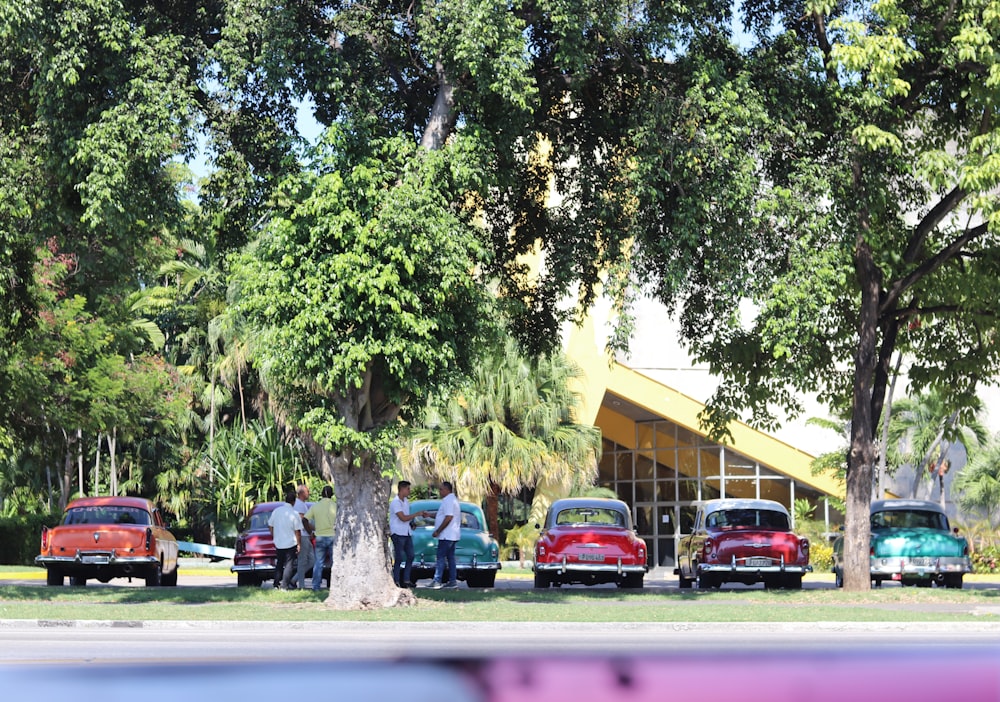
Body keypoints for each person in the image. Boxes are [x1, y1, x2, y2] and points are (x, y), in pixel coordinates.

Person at [389, 480, 428, 587]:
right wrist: (417, 514)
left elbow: (407, 516)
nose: (409, 491)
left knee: (410, 556)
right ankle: (396, 580)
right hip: (398, 532)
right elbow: (402, 517)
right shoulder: (396, 502)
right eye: (408, 489)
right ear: (402, 489)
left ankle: (406, 580)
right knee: (399, 558)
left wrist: (412, 523)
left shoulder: (406, 501)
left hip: (406, 532)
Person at [304, 485, 337, 591]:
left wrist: (310, 532)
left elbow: (304, 519)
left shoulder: (315, 506)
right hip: (333, 537)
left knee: (318, 562)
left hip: (319, 537)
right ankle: (335, 586)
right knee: (334, 563)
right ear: (332, 495)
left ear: (321, 494)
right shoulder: (336, 506)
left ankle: (316, 586)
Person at [268, 490, 302, 590]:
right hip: (291, 542)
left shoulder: (277, 511)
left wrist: (274, 535)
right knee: (289, 565)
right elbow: (297, 531)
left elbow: (270, 525)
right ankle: (284, 585)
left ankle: (276, 584)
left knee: (279, 563)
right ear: (294, 502)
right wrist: (299, 544)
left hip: (279, 542)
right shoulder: (295, 513)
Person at [431, 480, 461, 589]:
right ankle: (452, 580)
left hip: (446, 535)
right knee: (450, 558)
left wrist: (438, 531)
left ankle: (437, 580)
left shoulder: (449, 500)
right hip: (452, 535)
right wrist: (429, 515)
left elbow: (448, 517)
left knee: (440, 557)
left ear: (447, 490)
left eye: (441, 489)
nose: (439, 491)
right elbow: (442, 515)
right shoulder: (452, 500)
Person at [293, 483, 315, 589]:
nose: (309, 493)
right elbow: (303, 520)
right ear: (302, 493)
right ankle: (301, 585)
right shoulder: (299, 505)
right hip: (302, 535)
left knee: (312, 560)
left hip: (306, 535)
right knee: (302, 561)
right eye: (307, 491)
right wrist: (311, 530)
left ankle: (293, 580)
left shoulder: (303, 504)